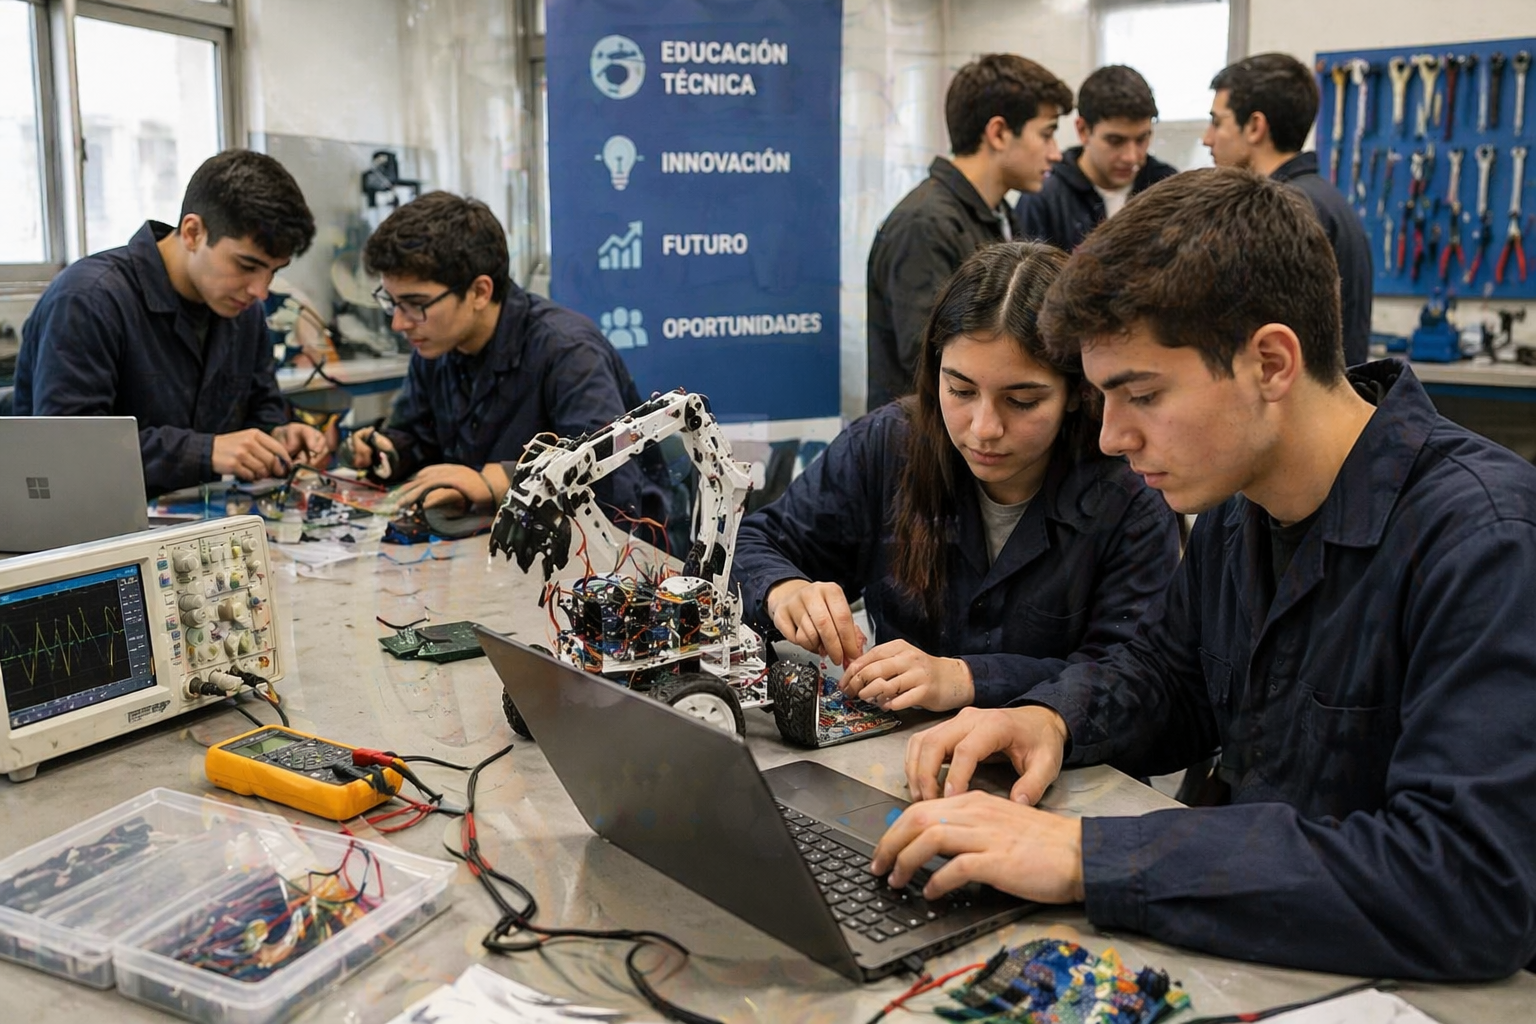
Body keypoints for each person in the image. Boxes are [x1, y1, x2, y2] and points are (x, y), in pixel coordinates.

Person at [871, 169, 1536, 980]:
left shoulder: (1486, 543)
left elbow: (1465, 883)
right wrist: (1050, 720)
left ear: (1271, 363)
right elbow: (1171, 683)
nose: (1111, 438)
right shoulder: (1236, 506)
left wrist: (1089, 856)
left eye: (1141, 395)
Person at [733, 241, 1180, 712]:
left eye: (1022, 401)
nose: (984, 428)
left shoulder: (1129, 493)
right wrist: (785, 589)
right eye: (961, 390)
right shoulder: (888, 444)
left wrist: (967, 678)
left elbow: (1131, 675)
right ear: (935, 373)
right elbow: (754, 544)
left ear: (1076, 392)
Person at [14, 150, 328, 496]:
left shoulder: (244, 312)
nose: (260, 290)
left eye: (274, 271)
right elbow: (70, 452)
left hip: (195, 525)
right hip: (90, 528)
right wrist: (205, 451)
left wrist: (275, 437)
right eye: (247, 265)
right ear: (193, 232)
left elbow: (260, 412)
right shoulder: (88, 299)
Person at [347, 191, 668, 524]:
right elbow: (421, 439)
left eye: (416, 304)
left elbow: (611, 486)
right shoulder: (435, 346)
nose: (399, 323)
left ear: (479, 292)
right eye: (392, 302)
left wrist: (500, 481)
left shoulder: (569, 353)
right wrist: (389, 449)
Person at [865, 54, 1072, 410]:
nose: (1056, 154)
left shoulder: (1000, 214)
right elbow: (931, 363)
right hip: (926, 450)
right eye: (1047, 134)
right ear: (998, 133)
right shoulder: (925, 225)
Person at [1203, 52, 1373, 365]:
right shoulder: (1325, 200)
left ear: (1255, 126)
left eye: (1217, 122)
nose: (1206, 138)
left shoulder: (1280, 210)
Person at [1018, 64, 1177, 251]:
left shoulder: (1167, 188)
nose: (1131, 157)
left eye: (1142, 139)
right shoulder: (1044, 198)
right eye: (1115, 141)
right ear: (1083, 130)